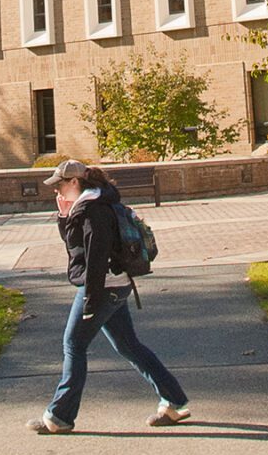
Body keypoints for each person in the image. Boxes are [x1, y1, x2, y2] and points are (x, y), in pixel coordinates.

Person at [29, 159, 190, 434]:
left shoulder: (93, 210)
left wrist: (91, 300)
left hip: (104, 286)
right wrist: (64, 216)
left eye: (59, 185)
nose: (56, 191)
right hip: (115, 285)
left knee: (74, 345)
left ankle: (60, 417)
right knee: (128, 345)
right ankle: (175, 402)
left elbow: (96, 258)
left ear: (75, 182)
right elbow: (77, 250)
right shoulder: (91, 204)